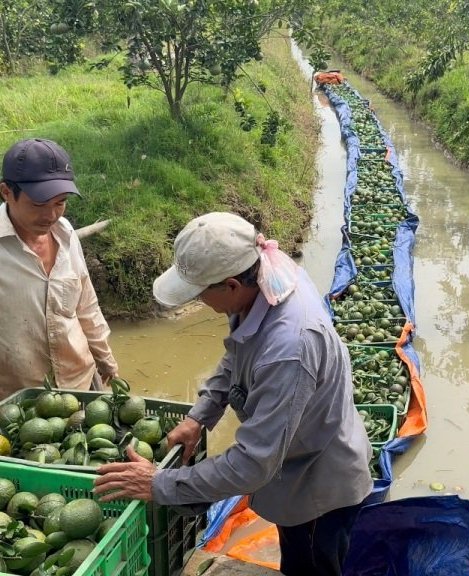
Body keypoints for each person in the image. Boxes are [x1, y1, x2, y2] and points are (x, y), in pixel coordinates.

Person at [94, 212, 373, 576]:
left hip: (318, 484)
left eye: (199, 294)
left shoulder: (290, 347)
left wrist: (159, 484)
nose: (198, 303)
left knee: (312, 563)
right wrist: (200, 416)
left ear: (230, 285)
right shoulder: (266, 275)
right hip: (295, 456)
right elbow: (238, 353)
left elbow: (252, 465)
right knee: (297, 556)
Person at [0, 138, 119, 396]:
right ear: (6, 192)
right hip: (20, 401)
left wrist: (105, 358)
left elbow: (86, 304)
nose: (52, 215)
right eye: (39, 205)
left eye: (60, 202)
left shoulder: (65, 235)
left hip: (81, 383)